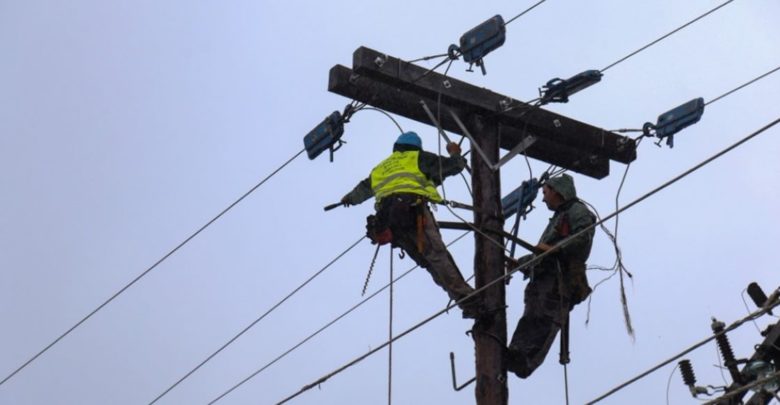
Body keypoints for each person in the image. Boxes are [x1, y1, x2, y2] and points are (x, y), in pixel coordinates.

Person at [340, 131, 483, 318]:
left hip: (391, 222)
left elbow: (363, 189)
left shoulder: (381, 168)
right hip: (413, 212)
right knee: (437, 257)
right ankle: (470, 302)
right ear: (416, 147)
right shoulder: (419, 158)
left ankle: (468, 304)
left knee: (428, 262)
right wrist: (455, 152)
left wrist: (349, 199)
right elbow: (454, 166)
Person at [506, 173, 595, 378]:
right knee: (532, 318)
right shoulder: (558, 217)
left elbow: (582, 238)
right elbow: (544, 252)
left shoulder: (577, 211)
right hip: (544, 281)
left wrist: (555, 250)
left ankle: (526, 361)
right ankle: (516, 354)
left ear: (558, 191)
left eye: (545, 192)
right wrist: (519, 263)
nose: (543, 198)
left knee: (545, 320)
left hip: (559, 280)